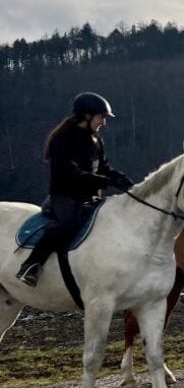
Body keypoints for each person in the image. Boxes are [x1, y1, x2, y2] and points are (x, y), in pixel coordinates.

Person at [17, 92, 134, 287]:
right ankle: (32, 264)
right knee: (71, 224)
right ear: (87, 116)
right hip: (65, 197)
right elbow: (70, 174)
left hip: (90, 197)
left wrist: (123, 180)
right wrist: (105, 181)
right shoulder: (63, 140)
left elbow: (104, 167)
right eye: (101, 117)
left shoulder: (96, 140)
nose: (103, 122)